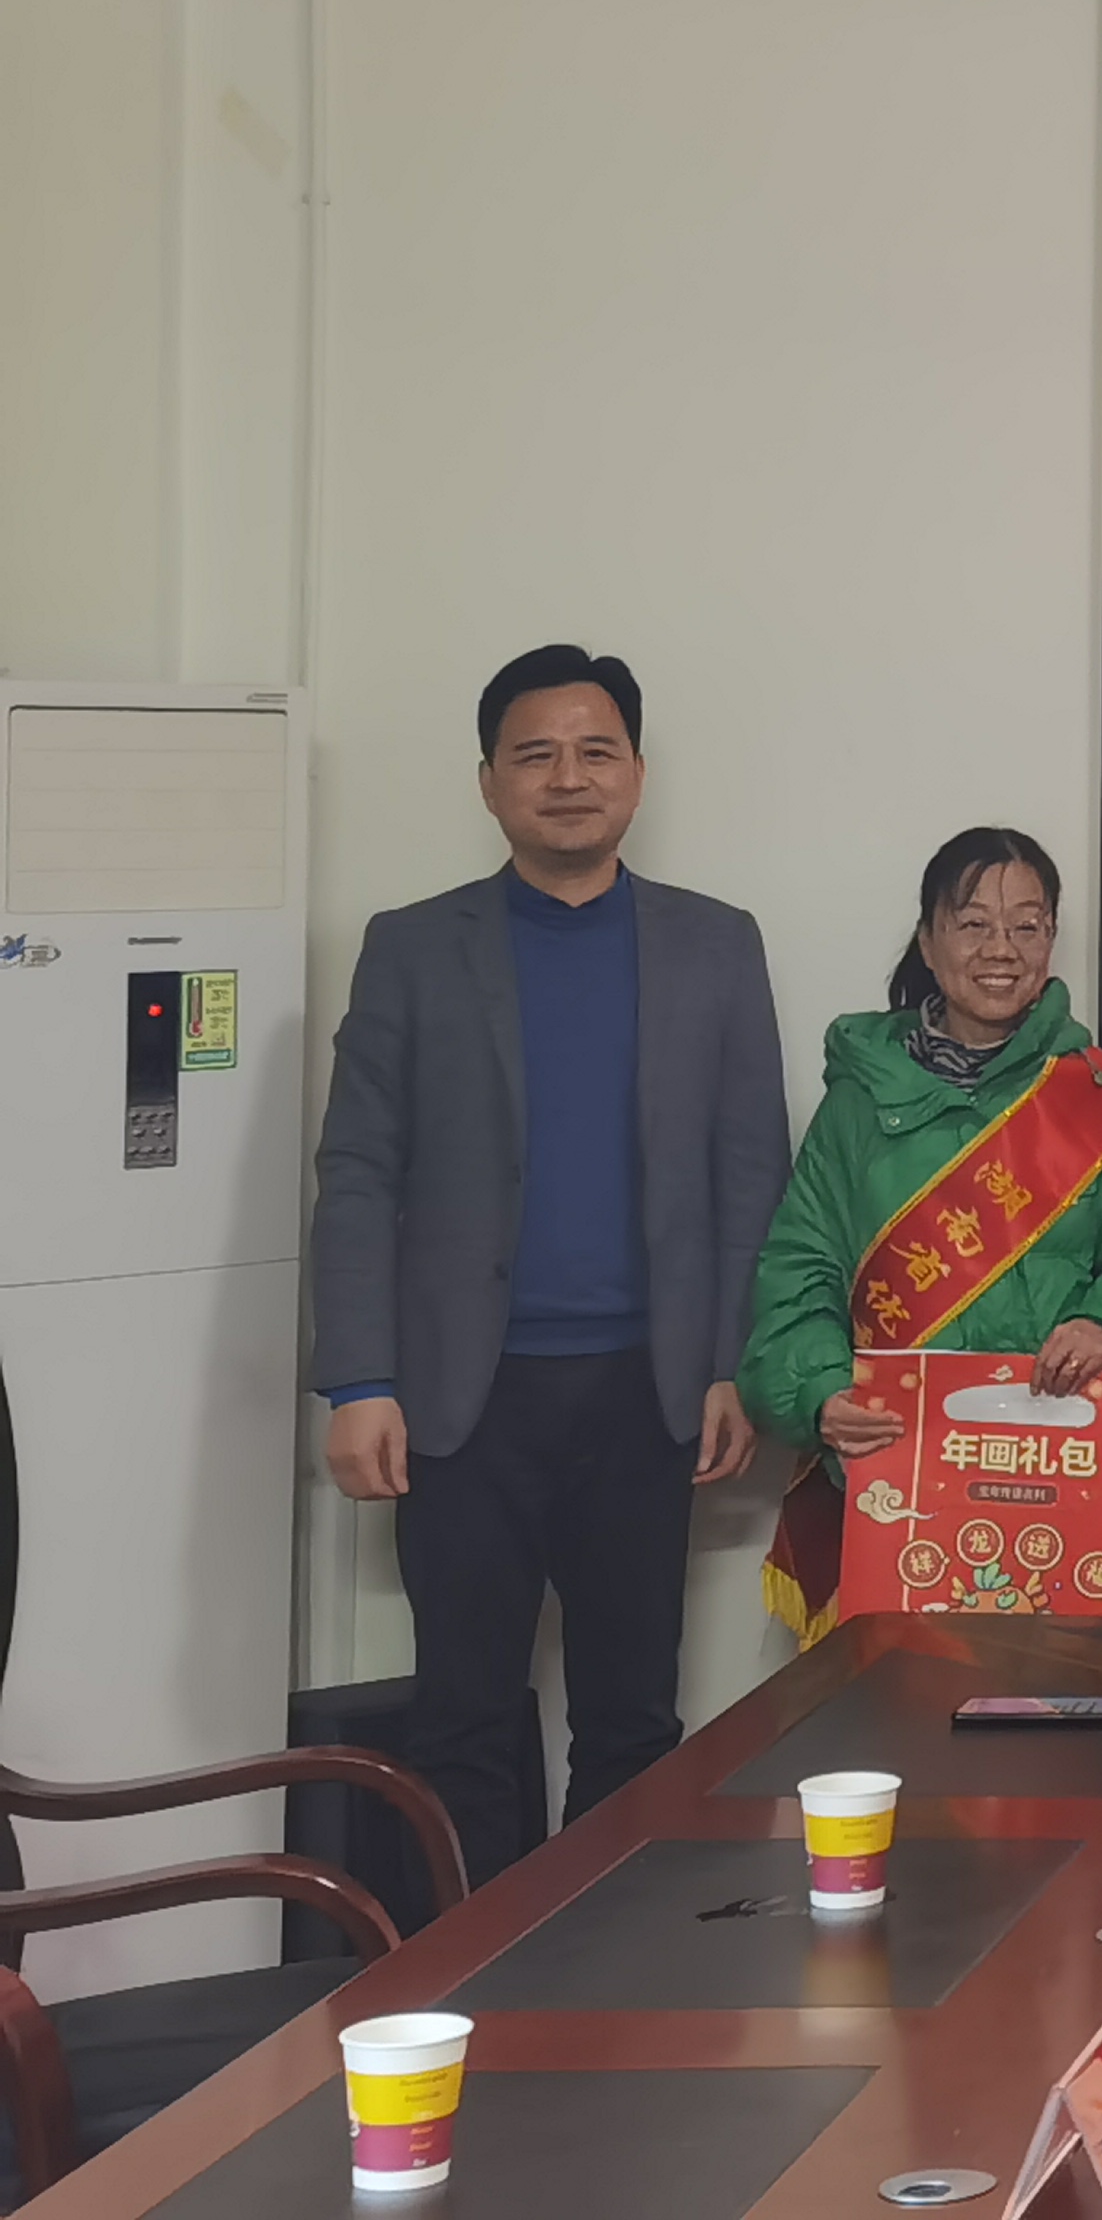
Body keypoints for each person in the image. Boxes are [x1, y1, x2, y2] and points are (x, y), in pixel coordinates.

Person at [309, 645, 787, 1885]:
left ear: (637, 774)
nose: (567, 777)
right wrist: (358, 1378)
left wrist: (734, 1364)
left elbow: (750, 1172)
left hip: (646, 1394)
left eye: (595, 752)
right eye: (535, 755)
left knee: (632, 1721)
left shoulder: (715, 943)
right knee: (462, 1720)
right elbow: (357, 1169)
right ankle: (470, 1979)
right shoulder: (414, 946)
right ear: (489, 782)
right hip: (460, 1403)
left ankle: (602, 1976)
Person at [737, 826, 1102, 1642]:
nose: (1001, 949)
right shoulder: (857, 1105)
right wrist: (820, 1395)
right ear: (928, 940)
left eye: (1027, 925)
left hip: (1068, 1474)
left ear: (1052, 939)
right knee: (895, 1708)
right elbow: (801, 1270)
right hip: (897, 1472)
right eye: (973, 923)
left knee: (1060, 1710)